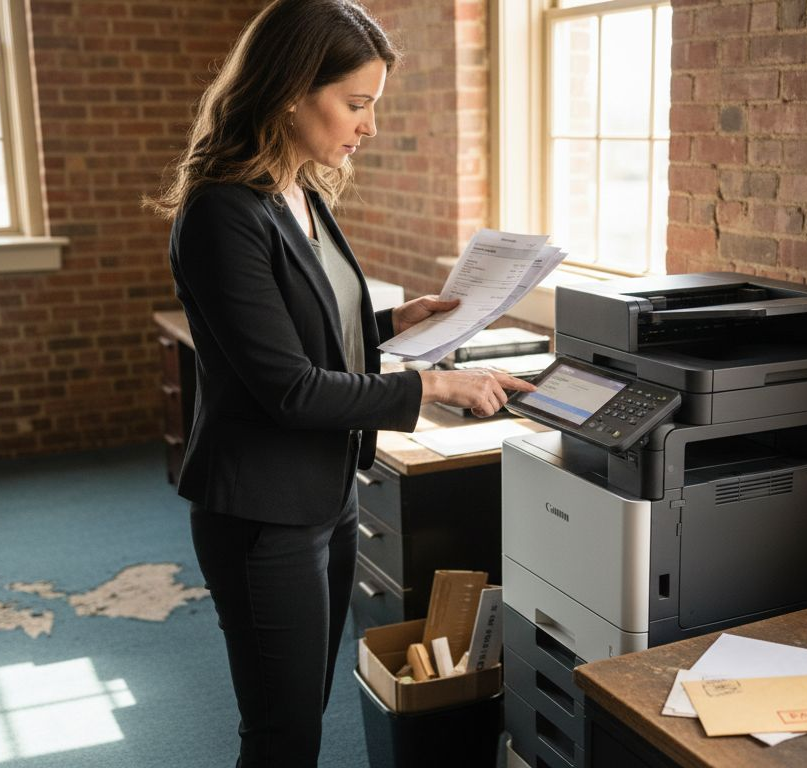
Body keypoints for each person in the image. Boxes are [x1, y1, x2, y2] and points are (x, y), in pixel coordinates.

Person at [146, 1, 536, 765]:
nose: (369, 127)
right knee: (281, 733)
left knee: (307, 711)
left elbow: (310, 329)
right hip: (262, 510)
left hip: (327, 491)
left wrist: (397, 323)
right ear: (293, 88)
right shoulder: (223, 212)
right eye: (356, 105)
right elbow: (288, 387)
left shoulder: (304, 193)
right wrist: (433, 389)